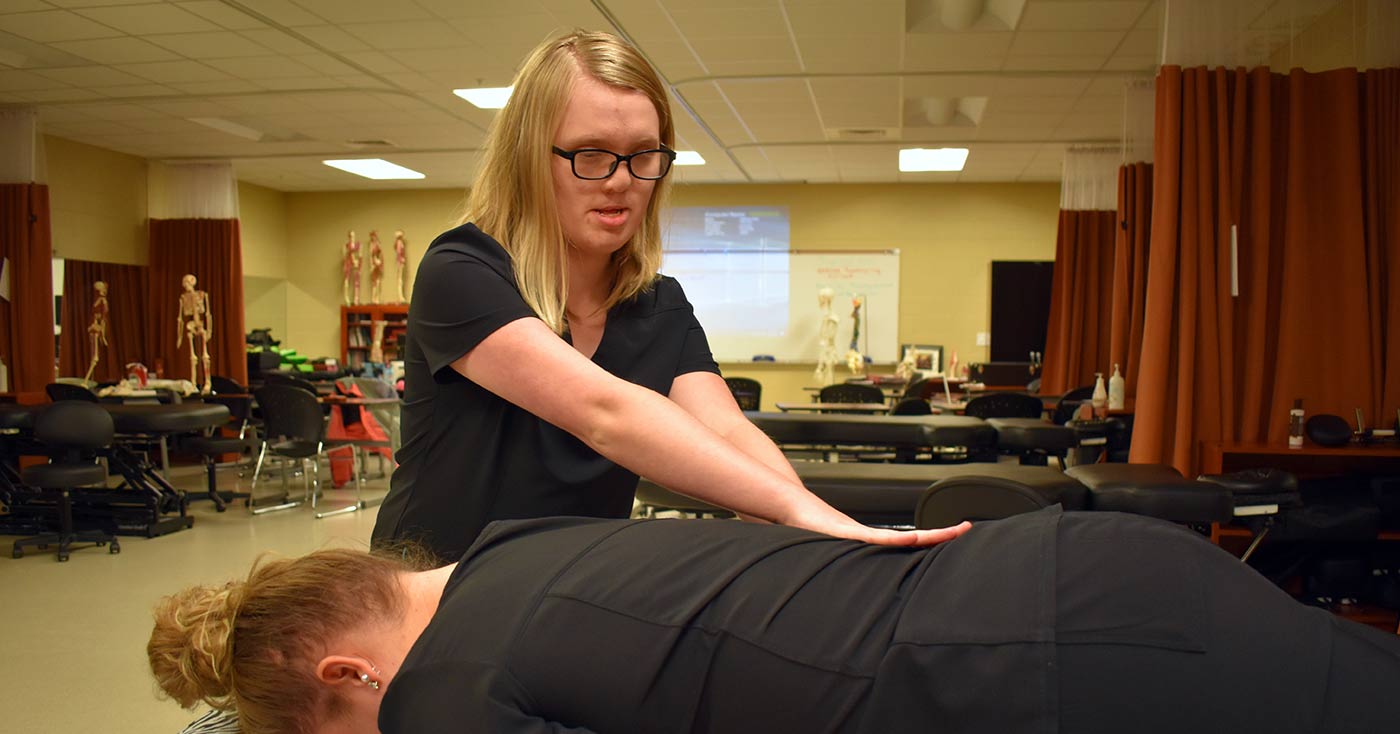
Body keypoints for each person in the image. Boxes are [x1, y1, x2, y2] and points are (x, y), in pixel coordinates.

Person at [370, 29, 968, 562]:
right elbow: (606, 415)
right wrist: (797, 513)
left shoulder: (658, 304)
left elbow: (728, 434)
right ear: (530, 157)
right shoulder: (464, 271)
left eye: (643, 155)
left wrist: (820, 536)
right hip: (432, 588)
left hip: (559, 589)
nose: (622, 180)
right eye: (591, 154)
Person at [150, 510, 1400, 734]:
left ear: (347, 671)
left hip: (1031, 679)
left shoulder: (437, 699)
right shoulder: (514, 547)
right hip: (1088, 569)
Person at [176, 273, 212, 395]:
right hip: (191, 326)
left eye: (186, 283)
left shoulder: (202, 295)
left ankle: (207, 382)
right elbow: (180, 318)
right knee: (193, 357)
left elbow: (208, 314)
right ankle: (193, 383)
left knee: (205, 356)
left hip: (201, 325)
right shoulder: (183, 298)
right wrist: (179, 336)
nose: (185, 286)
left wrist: (209, 331)